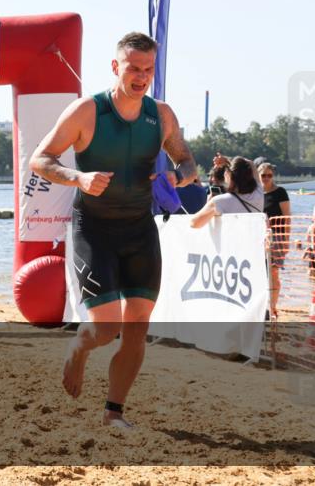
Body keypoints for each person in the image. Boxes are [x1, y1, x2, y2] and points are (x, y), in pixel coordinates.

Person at [30, 31, 197, 429]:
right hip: (94, 229)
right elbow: (40, 159)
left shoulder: (162, 115)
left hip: (139, 229)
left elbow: (188, 160)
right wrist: (78, 177)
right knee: (106, 329)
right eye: (133, 68)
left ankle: (113, 413)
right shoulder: (87, 111)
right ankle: (80, 346)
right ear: (115, 67)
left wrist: (180, 177)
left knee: (138, 328)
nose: (141, 77)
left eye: (148, 70)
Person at [190, 156, 264, 228]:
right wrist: (228, 160)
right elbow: (250, 163)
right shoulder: (258, 192)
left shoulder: (219, 201)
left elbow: (194, 223)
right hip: (255, 239)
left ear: (229, 175)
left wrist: (209, 203)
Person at [259, 162, 291, 318]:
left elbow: (287, 218)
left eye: (269, 175)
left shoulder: (280, 192)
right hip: (258, 238)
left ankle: (272, 307)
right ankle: (261, 306)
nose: (266, 178)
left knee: (273, 273)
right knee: (259, 274)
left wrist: (286, 241)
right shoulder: (255, 193)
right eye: (263, 175)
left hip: (276, 238)